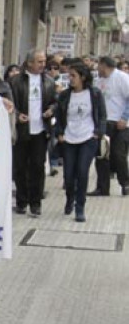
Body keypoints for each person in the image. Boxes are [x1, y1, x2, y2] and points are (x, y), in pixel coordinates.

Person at [54, 62, 107, 222]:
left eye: (73, 76)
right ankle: (70, 198)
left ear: (83, 77)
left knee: (82, 172)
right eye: (69, 76)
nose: (70, 79)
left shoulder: (95, 94)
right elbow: (59, 116)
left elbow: (102, 115)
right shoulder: (64, 95)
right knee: (69, 176)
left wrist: (98, 133)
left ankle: (80, 207)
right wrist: (59, 133)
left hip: (88, 139)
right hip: (69, 139)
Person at [9, 49, 57, 217]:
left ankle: (35, 203)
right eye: (39, 61)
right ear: (29, 63)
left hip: (40, 131)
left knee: (37, 166)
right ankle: (21, 201)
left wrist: (51, 110)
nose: (43, 65)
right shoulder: (15, 81)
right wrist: (16, 115)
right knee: (20, 167)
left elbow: (55, 102)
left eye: (44, 61)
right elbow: (8, 104)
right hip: (22, 131)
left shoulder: (49, 82)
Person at [90, 56, 129, 196]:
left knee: (119, 155)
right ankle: (102, 187)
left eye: (98, 66)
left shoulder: (122, 78)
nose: (97, 69)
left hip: (120, 124)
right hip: (103, 123)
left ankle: (125, 183)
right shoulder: (98, 80)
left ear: (104, 65)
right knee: (102, 156)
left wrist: (125, 118)